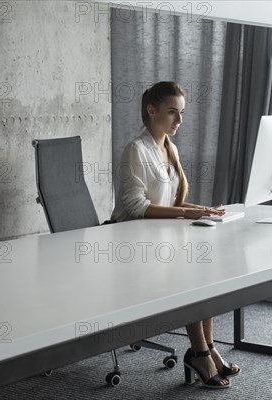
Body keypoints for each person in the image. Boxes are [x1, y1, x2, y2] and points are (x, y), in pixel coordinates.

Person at [111, 81, 240, 388]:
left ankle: (207, 348)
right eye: (172, 113)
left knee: (205, 270)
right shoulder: (136, 150)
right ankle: (198, 353)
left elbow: (174, 203)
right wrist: (187, 213)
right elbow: (136, 206)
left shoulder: (170, 147)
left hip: (160, 237)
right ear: (151, 110)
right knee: (190, 275)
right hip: (129, 242)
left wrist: (203, 209)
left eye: (181, 113)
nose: (179, 121)